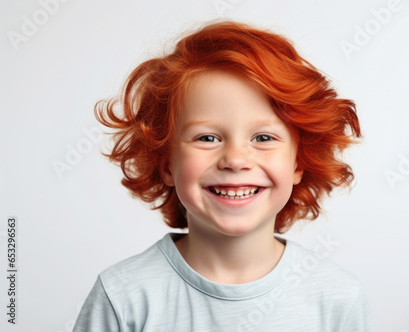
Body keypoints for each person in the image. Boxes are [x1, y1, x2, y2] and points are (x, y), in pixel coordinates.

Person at [73, 21, 373, 331]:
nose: (235, 159)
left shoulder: (337, 299)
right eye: (207, 138)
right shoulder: (124, 297)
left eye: (263, 138)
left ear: (298, 163)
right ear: (166, 165)